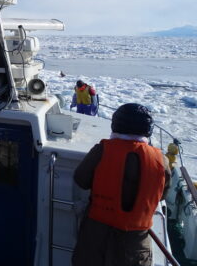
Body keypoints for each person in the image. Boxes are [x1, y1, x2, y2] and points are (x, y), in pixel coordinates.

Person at [72, 103, 171, 266]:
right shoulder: (162, 160)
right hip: (135, 244)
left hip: (96, 239)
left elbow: (81, 179)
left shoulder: (102, 150)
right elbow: (161, 195)